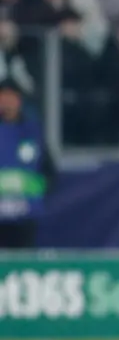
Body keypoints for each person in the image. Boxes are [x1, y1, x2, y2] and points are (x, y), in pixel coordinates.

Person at [0, 80, 54, 250]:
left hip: (25, 213)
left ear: (19, 100)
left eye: (11, 97)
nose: (7, 102)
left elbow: (49, 171)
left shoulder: (32, 132)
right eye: (3, 97)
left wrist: (38, 192)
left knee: (23, 261)